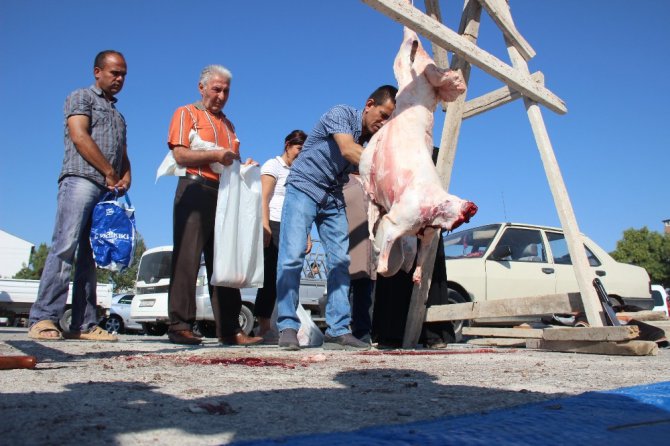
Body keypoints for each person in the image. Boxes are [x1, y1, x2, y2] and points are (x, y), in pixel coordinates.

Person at [275, 85, 398, 351]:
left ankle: (338, 329)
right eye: (383, 115)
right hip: (304, 186)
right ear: (369, 104)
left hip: (332, 196)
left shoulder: (369, 142)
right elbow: (346, 150)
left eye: (390, 119)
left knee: (341, 260)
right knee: (293, 255)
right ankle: (287, 325)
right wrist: (388, 167)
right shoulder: (342, 114)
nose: (384, 122)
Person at [28, 50, 131, 342]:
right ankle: (44, 318)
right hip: (80, 181)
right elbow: (79, 135)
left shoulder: (118, 115)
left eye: (123, 74)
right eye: (114, 73)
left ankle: (84, 324)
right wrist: (110, 171)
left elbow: (123, 152)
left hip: (106, 189)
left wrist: (125, 176)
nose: (119, 78)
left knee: (90, 256)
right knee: (65, 247)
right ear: (97, 72)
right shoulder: (81, 97)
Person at [165, 64, 262, 346]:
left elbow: (232, 161)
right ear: (202, 88)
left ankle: (230, 329)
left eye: (226, 91)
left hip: (225, 192)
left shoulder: (229, 125)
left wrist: (246, 166)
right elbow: (180, 155)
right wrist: (218, 154)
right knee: (188, 257)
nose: (220, 95)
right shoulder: (186, 113)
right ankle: (180, 324)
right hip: (195, 187)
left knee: (226, 258)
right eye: (216, 89)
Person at [254, 130, 308, 341]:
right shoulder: (273, 165)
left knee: (289, 275)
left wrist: (307, 235)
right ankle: (264, 326)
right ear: (287, 145)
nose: (300, 155)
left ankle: (286, 324)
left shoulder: (299, 172)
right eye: (298, 149)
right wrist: (265, 226)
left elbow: (303, 206)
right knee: (269, 276)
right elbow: (263, 198)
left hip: (293, 226)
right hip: (274, 223)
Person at [343, 172, 375, 344]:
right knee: (343, 284)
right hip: (346, 240)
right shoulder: (343, 178)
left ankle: (362, 330)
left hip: (369, 244)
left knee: (365, 287)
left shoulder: (372, 180)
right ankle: (339, 328)